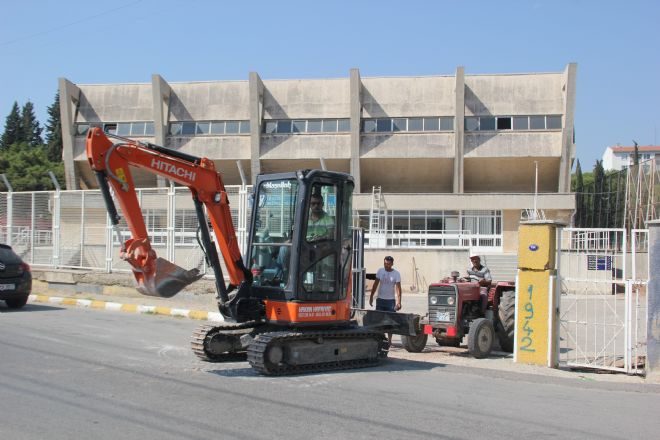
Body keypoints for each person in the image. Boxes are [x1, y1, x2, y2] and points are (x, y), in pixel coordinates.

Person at [369, 256, 402, 345]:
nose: (386, 265)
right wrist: (371, 296)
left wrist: (399, 302)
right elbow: (375, 284)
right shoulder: (380, 271)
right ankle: (380, 339)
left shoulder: (396, 274)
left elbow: (398, 289)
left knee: (390, 321)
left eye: (388, 264)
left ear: (392, 264)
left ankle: (390, 340)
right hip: (380, 300)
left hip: (390, 301)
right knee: (379, 320)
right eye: (385, 263)